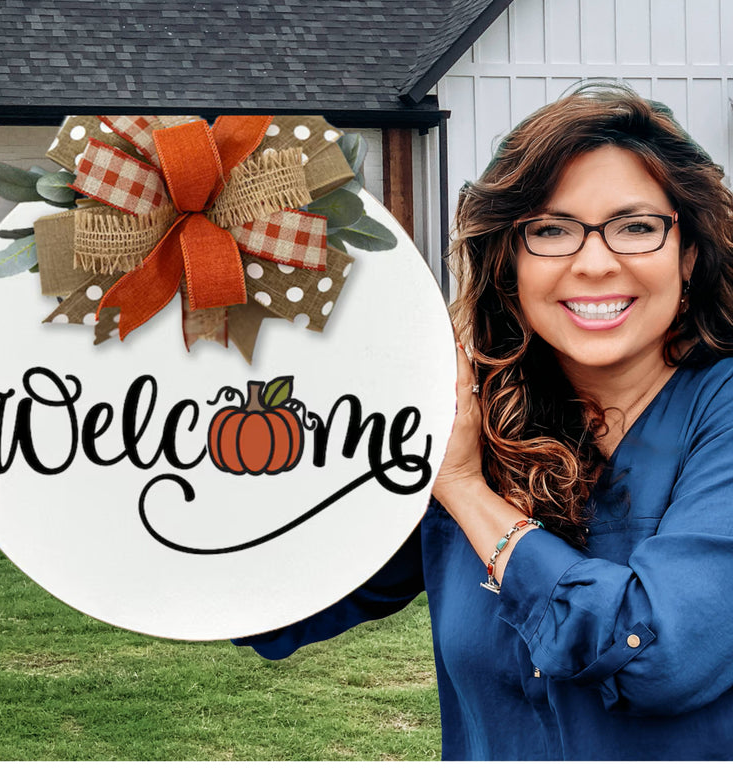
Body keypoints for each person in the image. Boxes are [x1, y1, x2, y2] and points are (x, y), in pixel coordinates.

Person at [233, 83, 733, 760]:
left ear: (690, 252)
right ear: (510, 262)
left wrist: (467, 489)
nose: (593, 262)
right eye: (551, 230)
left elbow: (660, 655)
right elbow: (285, 595)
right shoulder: (472, 415)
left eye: (636, 226)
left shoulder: (717, 413)